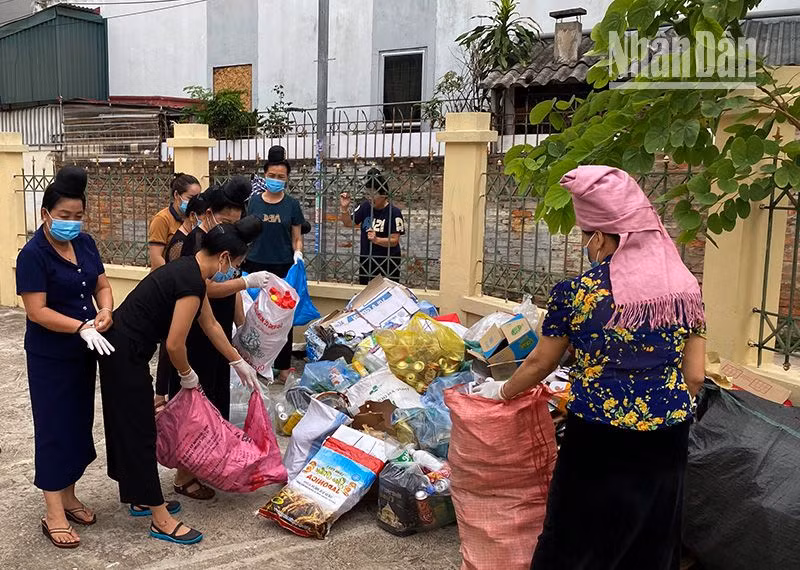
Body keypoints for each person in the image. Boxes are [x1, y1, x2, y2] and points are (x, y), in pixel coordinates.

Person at [474, 166, 706, 570]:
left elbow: (541, 361)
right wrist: (658, 408)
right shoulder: (685, 291)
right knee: (651, 538)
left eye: (585, 236)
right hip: (666, 436)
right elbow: (696, 376)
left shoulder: (577, 294)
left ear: (599, 237)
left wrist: (502, 390)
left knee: (576, 537)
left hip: (597, 437)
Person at [97, 217, 263, 545]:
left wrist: (237, 360)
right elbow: (174, 344)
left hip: (124, 348)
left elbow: (210, 324)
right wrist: (188, 376)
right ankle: (160, 519)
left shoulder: (190, 270)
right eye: (236, 266)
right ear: (225, 257)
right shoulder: (190, 282)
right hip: (124, 353)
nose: (234, 273)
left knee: (129, 424)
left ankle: (139, 496)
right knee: (140, 430)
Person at [16, 166, 115, 549]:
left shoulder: (85, 243)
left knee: (77, 424)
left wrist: (105, 311)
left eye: (77, 215)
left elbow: (101, 284)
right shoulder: (33, 254)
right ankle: (53, 511)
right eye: (63, 215)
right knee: (54, 428)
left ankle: (70, 495)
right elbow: (36, 311)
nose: (71, 222)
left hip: (84, 351)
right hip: (50, 357)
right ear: (46, 214)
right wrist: (80, 327)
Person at [170, 178, 268, 500]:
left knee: (214, 402)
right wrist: (246, 283)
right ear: (210, 213)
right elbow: (206, 290)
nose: (230, 228)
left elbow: (234, 285)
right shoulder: (198, 244)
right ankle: (184, 475)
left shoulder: (227, 245)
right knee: (197, 407)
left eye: (235, 223)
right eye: (226, 221)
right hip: (198, 334)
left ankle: (200, 465)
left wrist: (244, 328)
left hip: (218, 332)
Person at [244, 145, 305, 383]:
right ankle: (254, 363)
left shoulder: (292, 205)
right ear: (264, 175)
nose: (276, 180)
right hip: (254, 265)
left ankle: (283, 368)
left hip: (282, 268)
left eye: (281, 177)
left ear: (287, 179)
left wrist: (298, 253)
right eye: (272, 175)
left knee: (282, 320)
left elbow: (297, 236)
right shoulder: (253, 203)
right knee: (254, 317)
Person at [153, 192, 211, 411]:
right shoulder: (180, 242)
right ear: (194, 215)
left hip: (179, 301)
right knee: (169, 349)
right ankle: (161, 395)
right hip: (173, 303)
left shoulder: (191, 237)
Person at [339, 168, 405, 285]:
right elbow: (348, 223)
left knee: (387, 292)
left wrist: (376, 240)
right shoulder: (365, 207)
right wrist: (344, 208)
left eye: (374, 194)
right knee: (366, 291)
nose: (370, 197)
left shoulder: (394, 213)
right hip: (367, 260)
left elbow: (394, 240)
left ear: (384, 195)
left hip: (388, 261)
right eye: (368, 193)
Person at [148, 173, 201, 269]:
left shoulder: (194, 218)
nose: (194, 203)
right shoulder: (162, 219)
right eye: (190, 198)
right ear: (176, 195)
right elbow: (156, 258)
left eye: (197, 199)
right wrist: (172, 275)